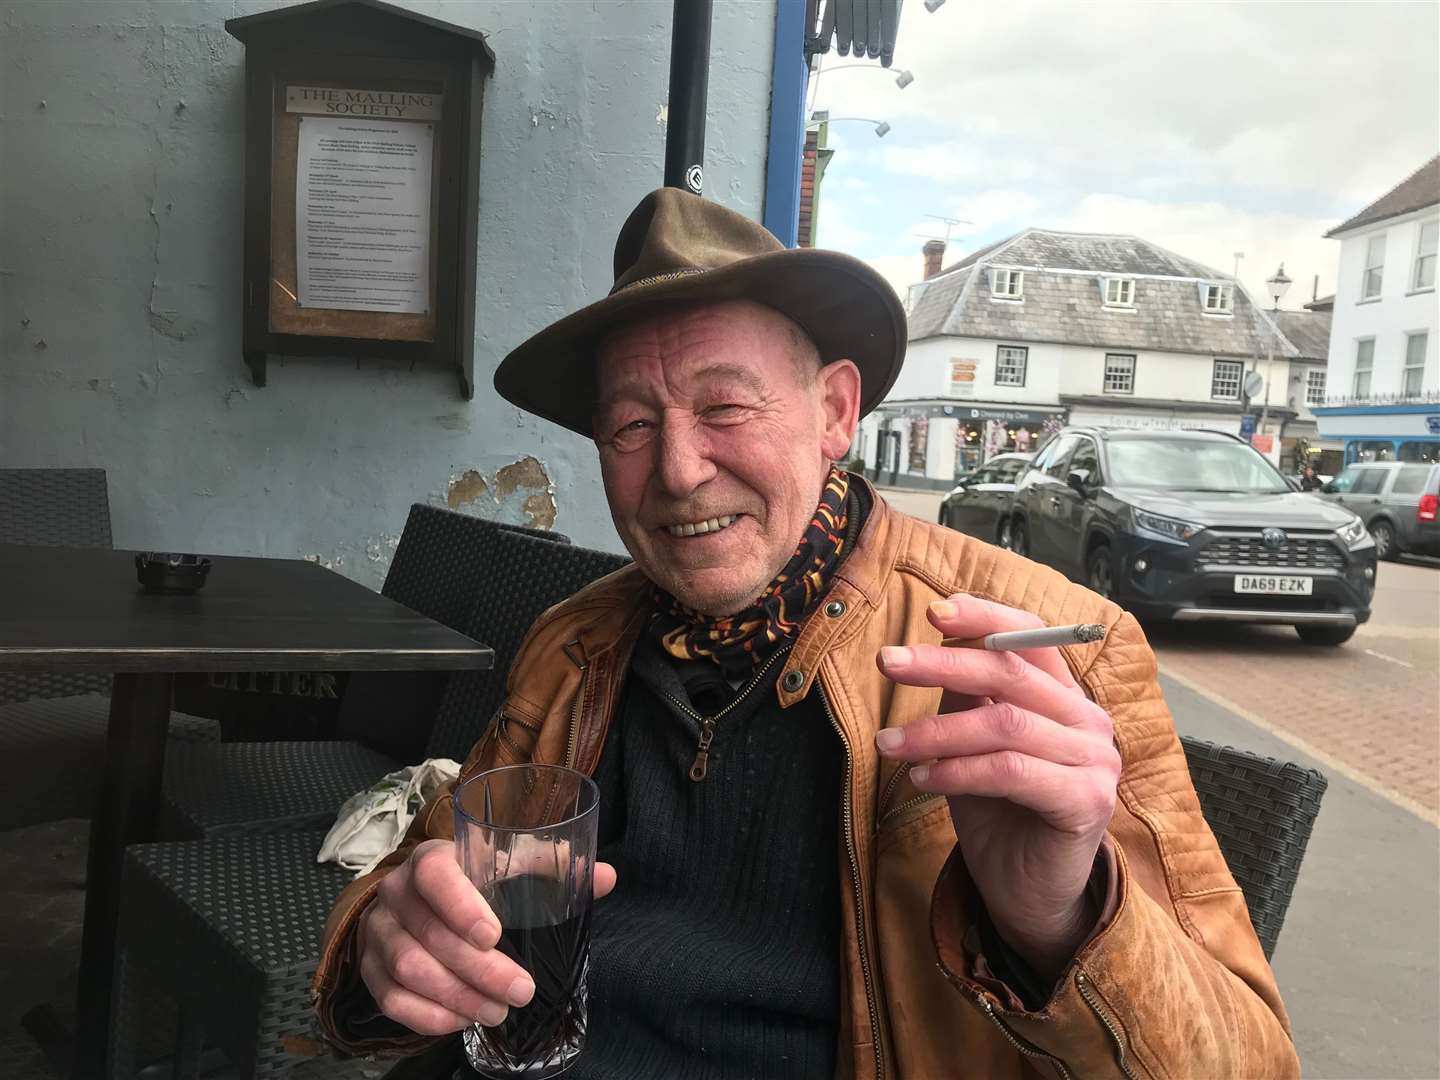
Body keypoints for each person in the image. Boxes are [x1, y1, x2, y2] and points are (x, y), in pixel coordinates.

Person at [313, 189, 1299, 1078]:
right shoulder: (575, 644)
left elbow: (1247, 1064)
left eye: (724, 407)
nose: (680, 470)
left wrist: (1059, 918)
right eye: (630, 427)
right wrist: (380, 947)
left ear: (833, 411)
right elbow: (429, 900)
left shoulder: (1039, 651)